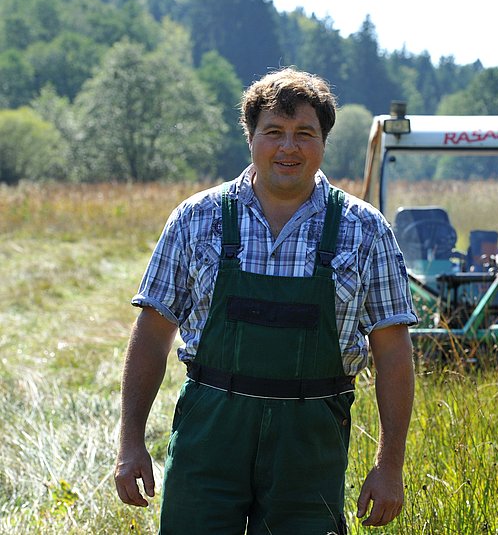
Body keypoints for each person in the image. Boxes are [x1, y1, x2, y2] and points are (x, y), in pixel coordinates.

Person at [114, 67, 417, 534]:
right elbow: (153, 334)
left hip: (310, 445)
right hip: (210, 434)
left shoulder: (366, 230)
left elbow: (394, 352)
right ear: (251, 137)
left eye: (304, 134)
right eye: (274, 132)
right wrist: (131, 441)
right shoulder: (198, 218)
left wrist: (389, 465)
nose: (288, 148)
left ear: (323, 142)